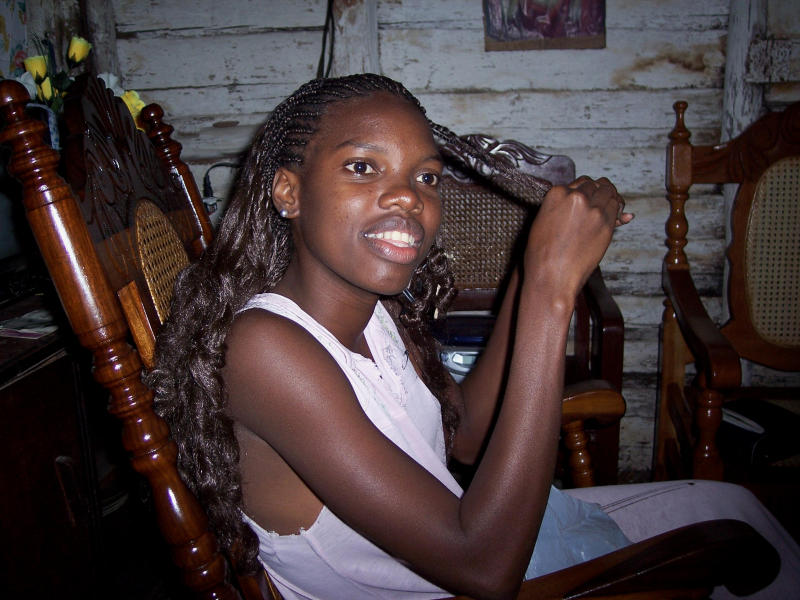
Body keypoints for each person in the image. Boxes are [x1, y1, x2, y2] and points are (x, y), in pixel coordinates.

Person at [148, 74, 799, 600]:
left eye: (425, 177)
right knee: (745, 544)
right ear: (288, 191)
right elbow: (484, 568)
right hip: (474, 569)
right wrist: (550, 290)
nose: (406, 197)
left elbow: (464, 433)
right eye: (362, 167)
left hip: (471, 546)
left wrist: (528, 269)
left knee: (733, 502)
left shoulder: (371, 311)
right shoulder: (267, 348)